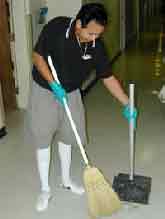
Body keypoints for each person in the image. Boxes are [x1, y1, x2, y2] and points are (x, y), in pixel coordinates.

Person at [28, 3, 137, 212]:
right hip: (45, 87)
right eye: (91, 33)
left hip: (71, 91)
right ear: (79, 24)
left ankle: (67, 179)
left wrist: (127, 102)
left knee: (70, 135)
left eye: (99, 34)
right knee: (43, 136)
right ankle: (44, 189)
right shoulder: (57, 28)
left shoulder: (96, 46)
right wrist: (52, 83)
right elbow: (38, 57)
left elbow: (107, 77)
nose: (95, 38)